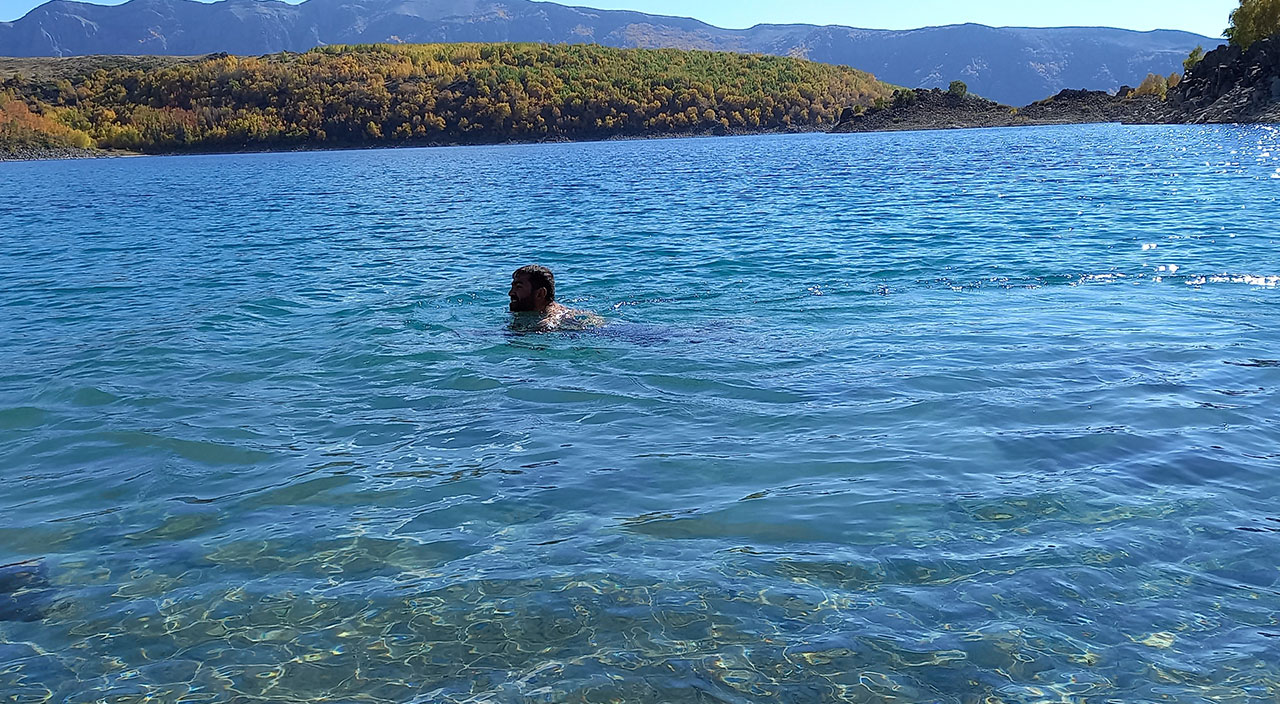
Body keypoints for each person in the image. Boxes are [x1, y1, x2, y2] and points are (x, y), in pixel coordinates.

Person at [508, 264, 601, 332]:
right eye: (512, 287)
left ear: (540, 293)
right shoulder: (526, 312)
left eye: (519, 287)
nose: (510, 293)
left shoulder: (552, 320)